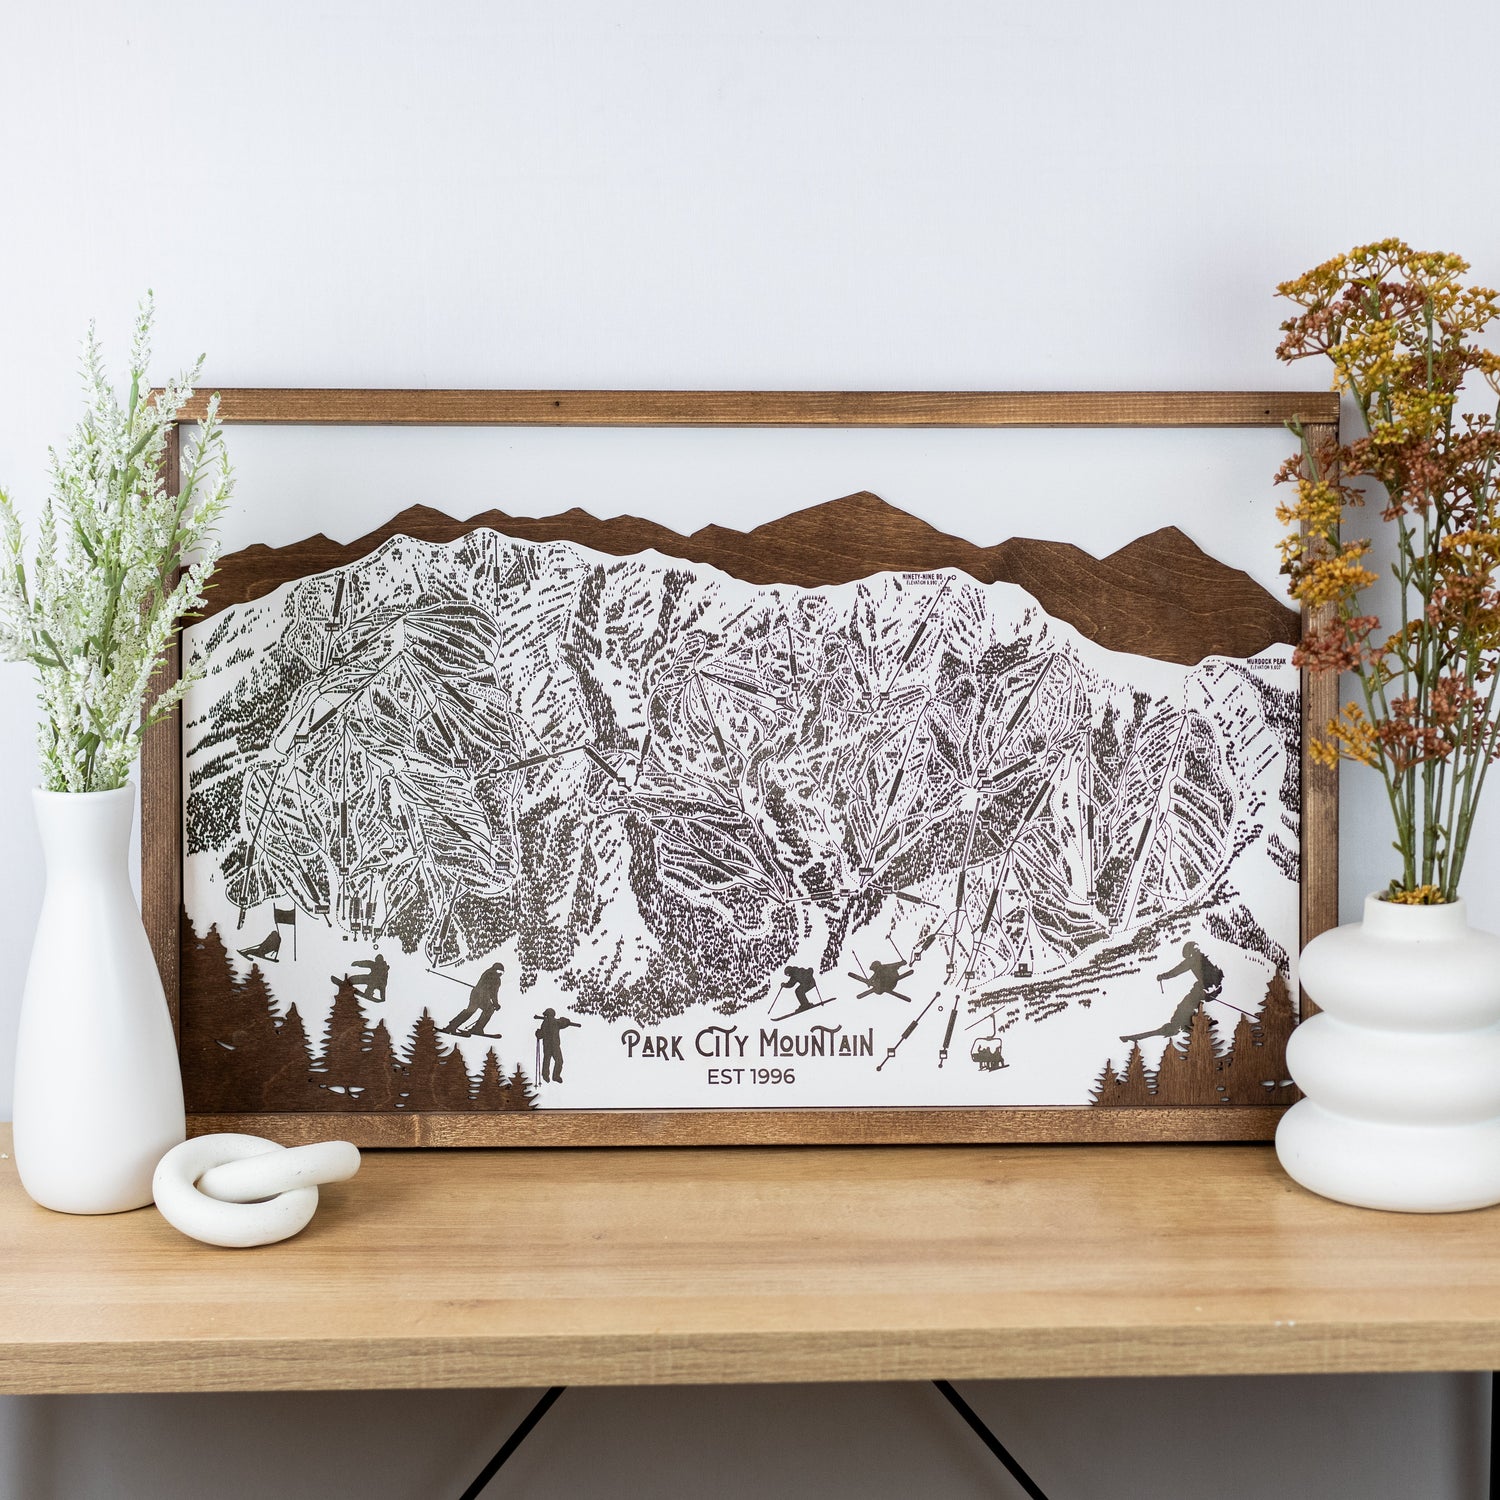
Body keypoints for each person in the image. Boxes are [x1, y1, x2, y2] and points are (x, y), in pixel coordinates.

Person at [1119, 941, 1223, 1042]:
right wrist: (1214, 990)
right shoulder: (1203, 958)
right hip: (1209, 989)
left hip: (1204, 990)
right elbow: (1217, 974)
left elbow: (1176, 971)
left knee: (1184, 1006)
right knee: (1188, 1005)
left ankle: (1178, 1026)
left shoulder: (1193, 960)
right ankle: (1192, 1023)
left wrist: (1162, 976)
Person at [445, 961, 505, 1036]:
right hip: (478, 996)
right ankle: (454, 1026)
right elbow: (488, 991)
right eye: (498, 971)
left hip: (480, 995)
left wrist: (495, 1003)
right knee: (476, 1010)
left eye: (501, 973)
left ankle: (475, 1028)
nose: (499, 974)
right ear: (494, 969)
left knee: (477, 1010)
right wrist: (494, 1003)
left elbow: (494, 993)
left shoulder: (496, 979)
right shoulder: (489, 974)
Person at [534, 1007, 581, 1083]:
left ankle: (546, 1076)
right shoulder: (555, 1022)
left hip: (548, 1046)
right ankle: (554, 1076)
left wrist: (538, 1033)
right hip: (553, 1046)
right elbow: (564, 1022)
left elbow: (540, 1035)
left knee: (548, 1060)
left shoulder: (547, 1023)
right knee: (558, 1061)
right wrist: (567, 1021)